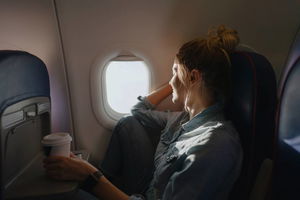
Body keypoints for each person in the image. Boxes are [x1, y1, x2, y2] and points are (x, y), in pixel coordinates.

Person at [43, 25, 243, 200]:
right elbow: (138, 111)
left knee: (69, 196)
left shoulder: (214, 145)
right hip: (148, 189)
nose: (170, 79)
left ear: (193, 77)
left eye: (174, 71)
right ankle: (100, 183)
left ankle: (95, 184)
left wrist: (91, 177)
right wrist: (177, 87)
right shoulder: (182, 119)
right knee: (128, 122)